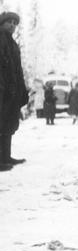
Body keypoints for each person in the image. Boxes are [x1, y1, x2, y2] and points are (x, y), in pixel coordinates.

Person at [0, 11, 28, 171]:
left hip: (12, 91)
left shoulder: (12, 43)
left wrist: (21, 90)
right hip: (3, 90)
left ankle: (5, 156)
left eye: (15, 23)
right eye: (9, 22)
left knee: (9, 123)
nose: (12, 25)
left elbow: (17, 69)